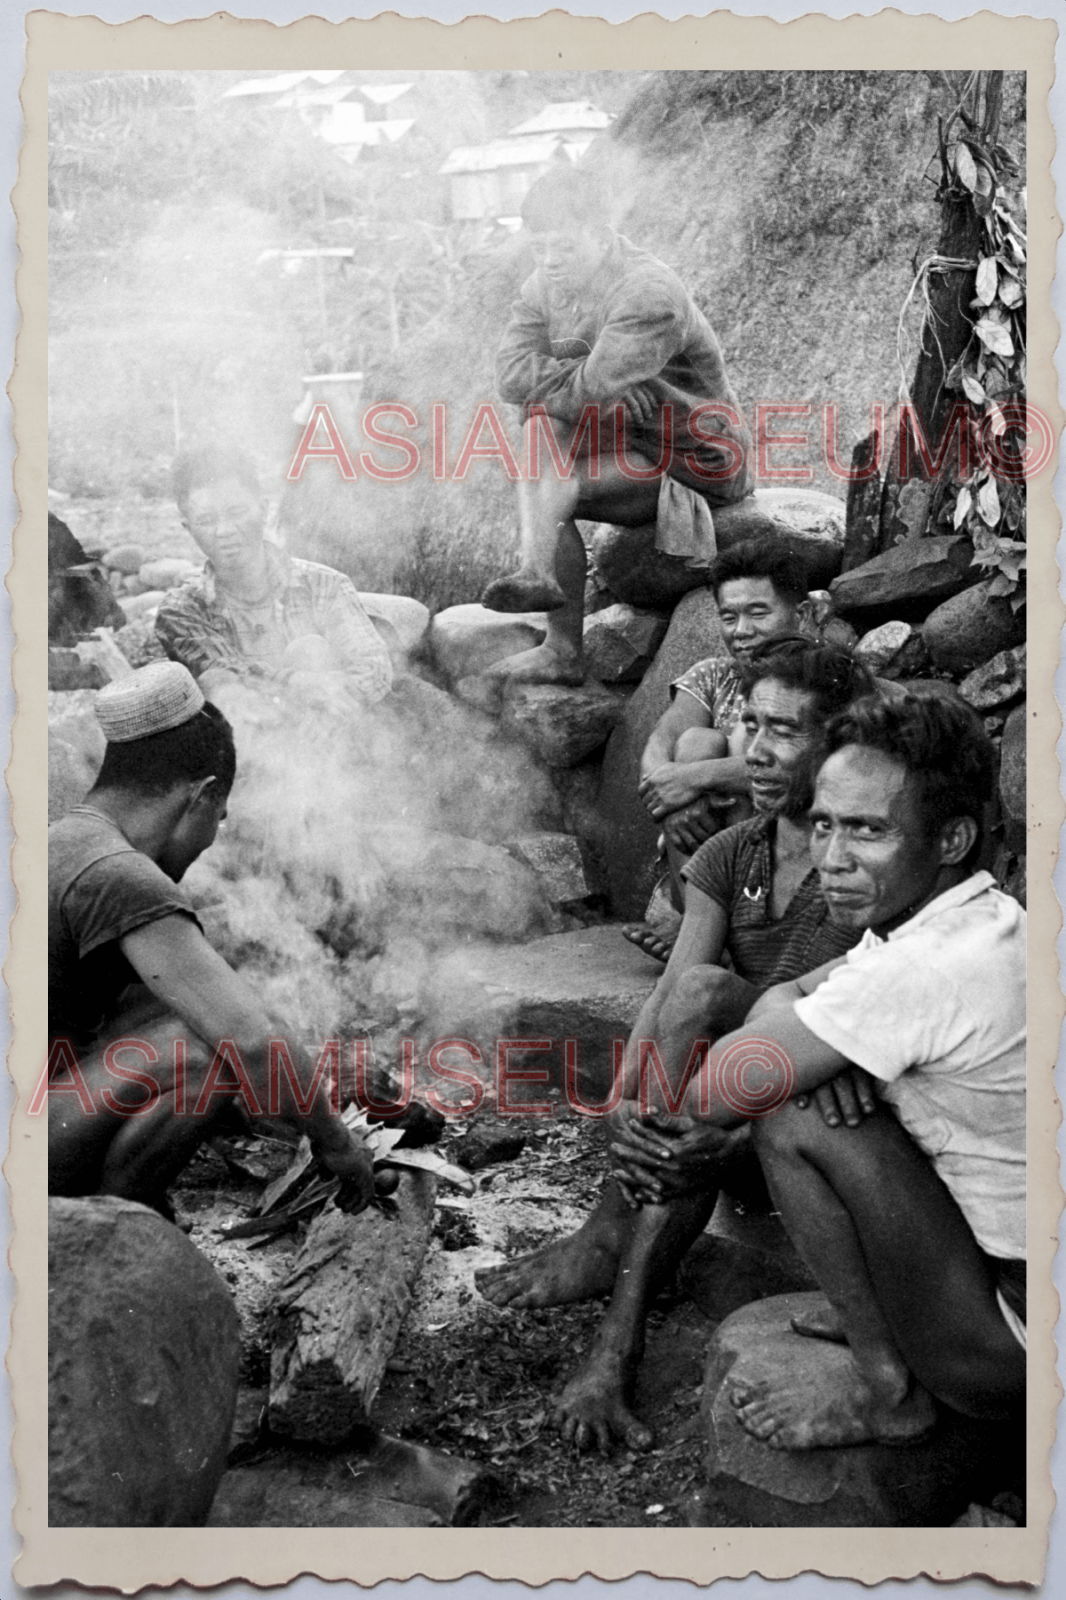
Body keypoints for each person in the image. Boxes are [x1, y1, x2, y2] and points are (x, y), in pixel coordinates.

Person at [476, 638, 877, 1452]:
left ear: (838, 743)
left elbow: (844, 1028)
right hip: (729, 1115)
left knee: (712, 1019)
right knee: (693, 998)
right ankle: (605, 1244)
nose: (755, 752)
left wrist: (698, 1120)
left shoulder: (863, 862)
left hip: (819, 1130)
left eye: (785, 732)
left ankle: (614, 1337)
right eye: (750, 725)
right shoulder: (734, 851)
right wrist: (627, 1106)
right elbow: (674, 993)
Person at [615, 692, 1025, 1450]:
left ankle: (891, 1391)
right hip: (999, 1275)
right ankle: (885, 1311)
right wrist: (812, 1051)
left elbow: (711, 1089)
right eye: (825, 824)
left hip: (1010, 1347)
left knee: (792, 1116)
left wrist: (795, 1064)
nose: (832, 859)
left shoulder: (929, 965)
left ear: (953, 838)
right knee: (806, 1085)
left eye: (868, 830)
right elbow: (785, 993)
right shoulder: (974, 915)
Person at [47, 661, 374, 1219]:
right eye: (218, 819)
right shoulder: (121, 874)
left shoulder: (63, 836)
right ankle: (116, 1226)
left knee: (165, 1007)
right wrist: (336, 1144)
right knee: (205, 1056)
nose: (210, 839)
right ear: (202, 795)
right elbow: (248, 1039)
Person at [481, 163, 752, 686]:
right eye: (539, 248)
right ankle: (542, 590)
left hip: (693, 458)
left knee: (548, 490)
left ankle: (559, 638)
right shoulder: (543, 286)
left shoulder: (647, 293)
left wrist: (599, 393)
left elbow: (591, 387)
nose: (550, 262)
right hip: (625, 439)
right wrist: (598, 393)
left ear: (601, 237)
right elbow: (509, 376)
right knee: (539, 426)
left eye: (564, 247)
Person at [626, 539, 816, 958]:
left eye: (758, 612)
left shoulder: (821, 678)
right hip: (706, 864)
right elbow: (660, 744)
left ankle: (720, 938)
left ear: (801, 614)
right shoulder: (714, 675)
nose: (741, 631)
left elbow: (810, 767)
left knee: (738, 743)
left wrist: (691, 779)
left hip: (788, 850)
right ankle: (707, 926)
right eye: (729, 617)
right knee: (694, 741)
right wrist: (673, 802)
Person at [155, 444, 393, 722]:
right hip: (251, 742)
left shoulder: (325, 585)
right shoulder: (182, 610)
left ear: (264, 510)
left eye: (236, 512)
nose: (225, 531)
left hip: (336, 732)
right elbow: (221, 671)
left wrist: (335, 701)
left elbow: (373, 665)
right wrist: (297, 684)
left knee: (309, 650)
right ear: (189, 529)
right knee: (219, 684)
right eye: (207, 520)